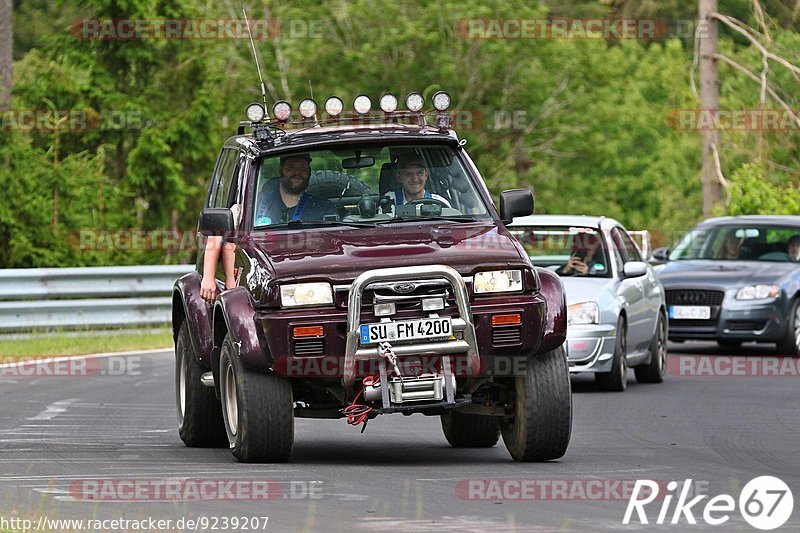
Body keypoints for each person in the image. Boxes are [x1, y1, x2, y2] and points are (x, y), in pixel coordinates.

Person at [254, 153, 336, 225]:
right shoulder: (256, 204)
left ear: (309, 172)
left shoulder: (324, 207)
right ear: (280, 170)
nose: (297, 173)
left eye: (302, 169)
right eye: (290, 168)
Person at [383, 152, 451, 214]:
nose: (415, 179)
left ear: (426, 176)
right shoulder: (389, 201)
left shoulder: (439, 203)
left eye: (419, 173)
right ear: (399, 178)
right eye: (408, 174)